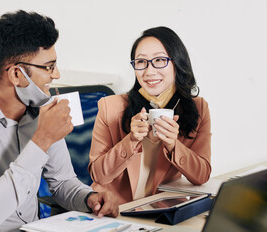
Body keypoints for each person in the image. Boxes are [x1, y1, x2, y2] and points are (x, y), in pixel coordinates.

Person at [0, 10, 118, 232]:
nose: (56, 74)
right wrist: (42, 139)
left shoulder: (40, 109)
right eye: (49, 66)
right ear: (16, 75)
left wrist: (89, 198)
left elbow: (61, 183)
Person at [88, 26, 211, 205]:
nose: (149, 71)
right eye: (141, 62)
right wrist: (130, 141)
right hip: (114, 210)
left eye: (160, 60)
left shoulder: (198, 109)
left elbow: (202, 176)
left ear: (177, 62)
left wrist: (173, 145)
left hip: (161, 212)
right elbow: (98, 175)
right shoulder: (111, 107)